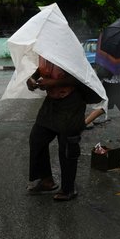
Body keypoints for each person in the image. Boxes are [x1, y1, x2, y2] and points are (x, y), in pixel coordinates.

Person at [26, 55, 87, 201]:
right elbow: (40, 71)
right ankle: (46, 180)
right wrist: (32, 80)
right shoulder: (45, 50)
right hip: (52, 102)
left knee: (67, 146)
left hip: (72, 102)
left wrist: (52, 82)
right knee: (37, 139)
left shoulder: (68, 49)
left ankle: (68, 188)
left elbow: (79, 77)